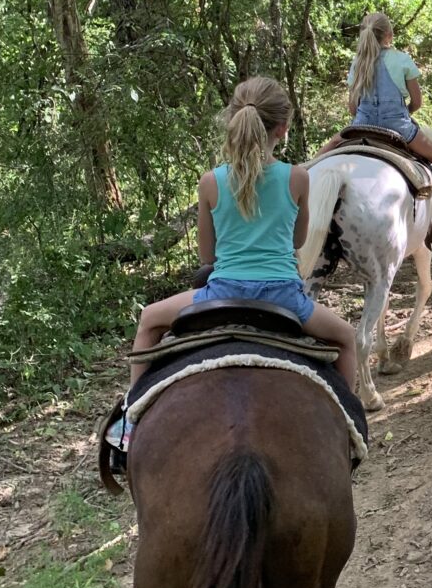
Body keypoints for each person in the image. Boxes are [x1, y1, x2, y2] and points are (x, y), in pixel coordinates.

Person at [126, 76, 358, 400]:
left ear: (234, 120)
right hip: (283, 296)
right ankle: (349, 423)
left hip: (224, 292)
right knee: (346, 338)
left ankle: (130, 418)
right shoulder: (298, 177)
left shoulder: (210, 182)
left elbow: (207, 257)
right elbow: (297, 241)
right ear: (283, 127)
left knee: (149, 320)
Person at [317, 12, 432, 229]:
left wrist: (365, 117)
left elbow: (352, 108)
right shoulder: (402, 60)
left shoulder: (358, 63)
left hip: (361, 127)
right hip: (397, 128)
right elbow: (417, 102)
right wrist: (404, 113)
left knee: (331, 147)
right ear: (389, 35)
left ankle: (301, 177)